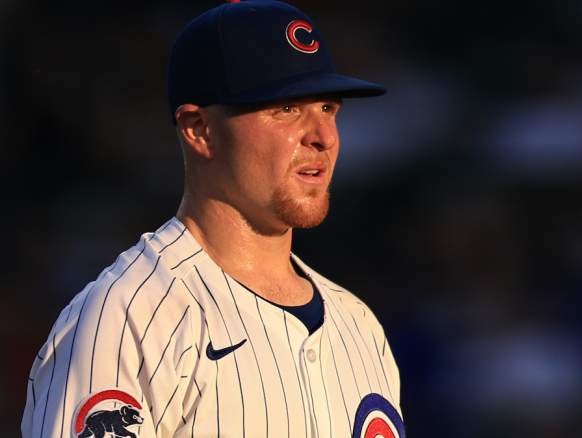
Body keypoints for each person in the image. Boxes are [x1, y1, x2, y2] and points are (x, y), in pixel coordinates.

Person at [21, 1, 405, 437]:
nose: (322, 137)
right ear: (199, 129)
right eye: (287, 109)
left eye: (328, 109)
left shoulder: (359, 326)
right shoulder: (128, 316)